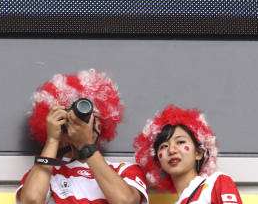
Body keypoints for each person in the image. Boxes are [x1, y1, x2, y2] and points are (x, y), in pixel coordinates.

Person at [17, 69, 148, 204]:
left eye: (91, 117)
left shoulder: (124, 169)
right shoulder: (47, 170)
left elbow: (126, 202)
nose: (81, 123)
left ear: (102, 124)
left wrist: (87, 147)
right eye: (71, 118)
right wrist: (52, 140)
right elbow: (31, 201)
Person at [133, 105, 242, 204]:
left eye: (180, 142)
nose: (171, 150)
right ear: (158, 161)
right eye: (164, 146)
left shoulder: (216, 182)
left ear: (199, 153)